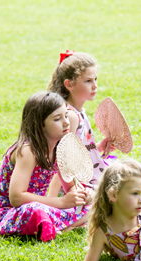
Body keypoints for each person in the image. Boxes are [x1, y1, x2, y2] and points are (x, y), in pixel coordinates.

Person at [0, 91, 92, 241]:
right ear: (40, 124)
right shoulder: (28, 151)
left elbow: (70, 188)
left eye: (66, 116)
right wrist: (61, 202)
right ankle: (59, 225)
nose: (66, 123)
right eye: (57, 119)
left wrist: (80, 195)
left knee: (94, 205)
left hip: (43, 205)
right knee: (36, 212)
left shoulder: (60, 148)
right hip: (11, 212)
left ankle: (59, 226)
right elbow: (16, 198)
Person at [47, 51, 113, 188]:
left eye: (96, 79)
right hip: (75, 183)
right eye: (88, 81)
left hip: (87, 173)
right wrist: (57, 198)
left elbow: (78, 150)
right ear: (69, 84)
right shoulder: (70, 116)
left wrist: (98, 147)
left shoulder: (79, 110)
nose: (95, 85)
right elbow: (63, 162)